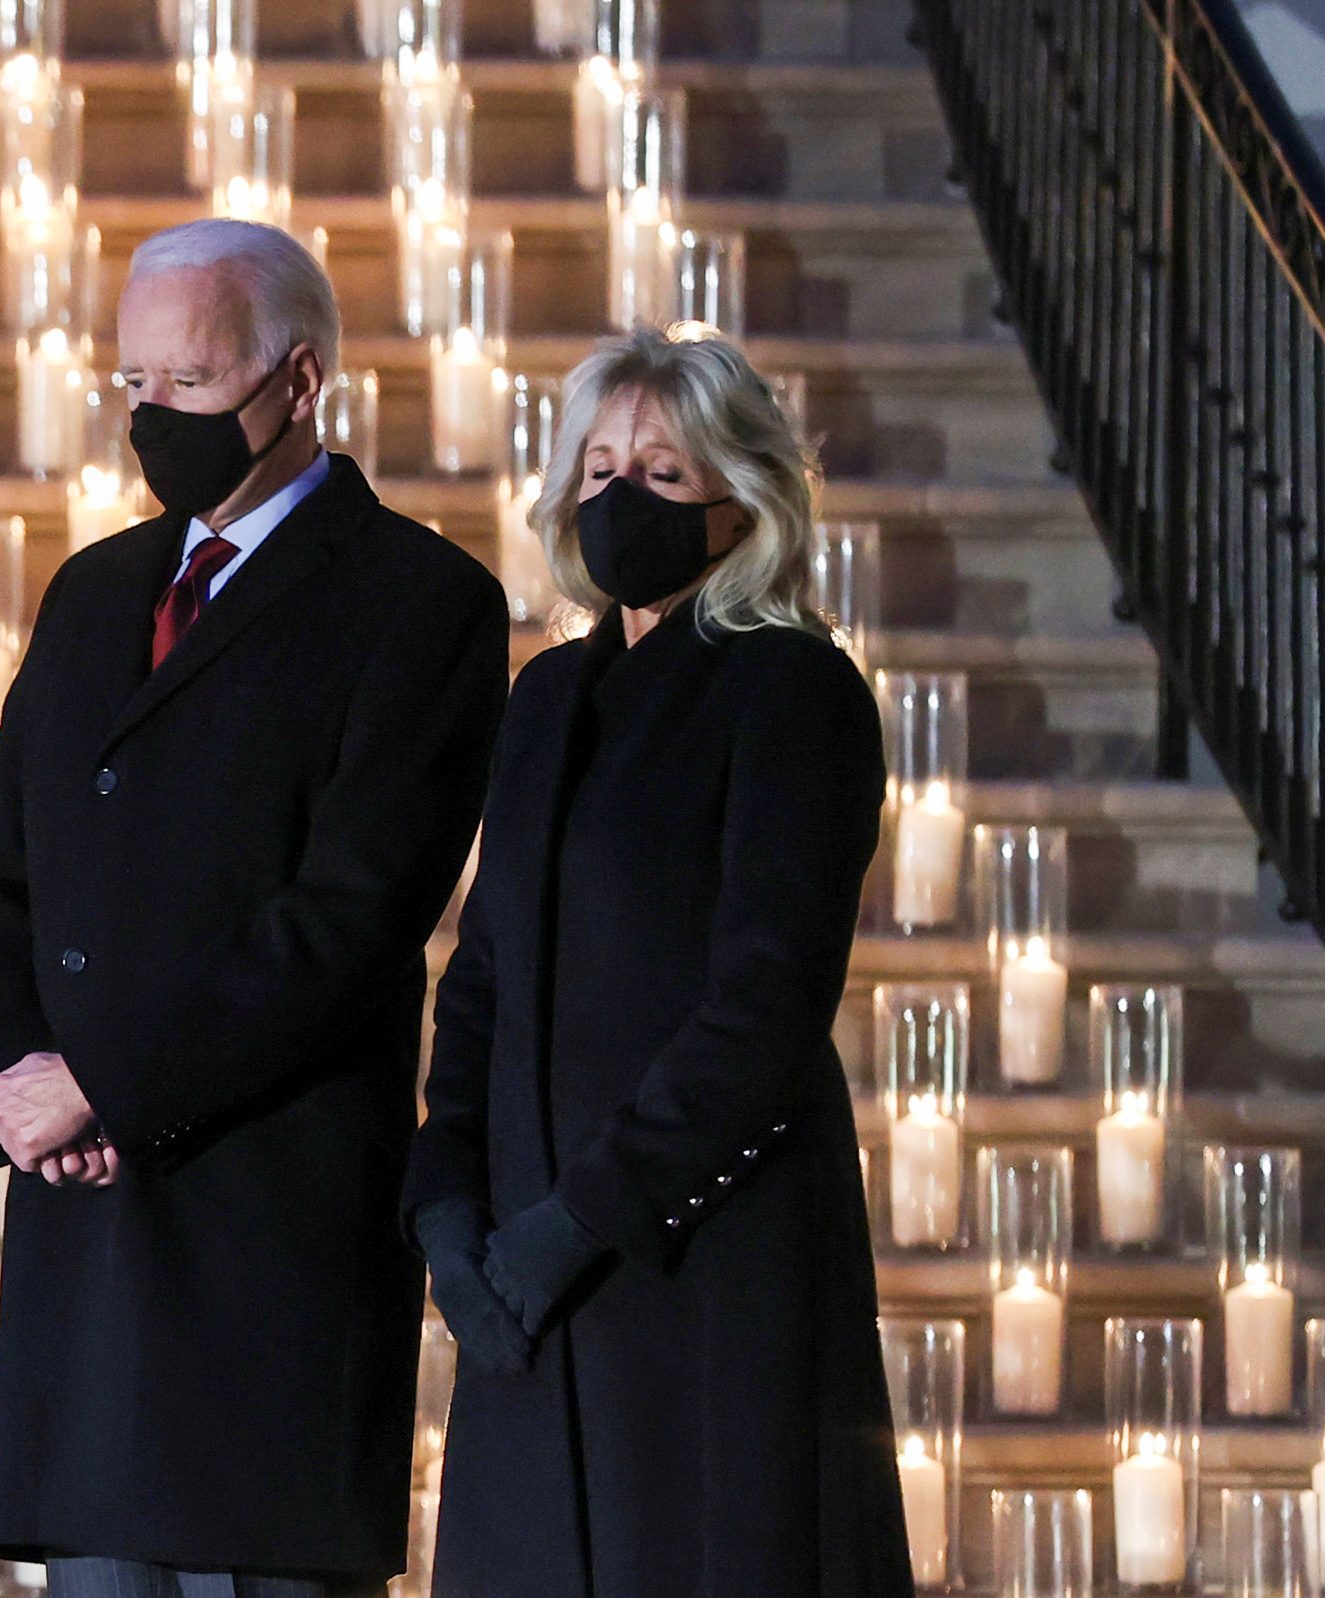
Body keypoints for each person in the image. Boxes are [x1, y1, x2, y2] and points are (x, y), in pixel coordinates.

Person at [0, 217, 508, 1598]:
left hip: (264, 1239)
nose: (154, 418)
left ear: (296, 380)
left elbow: (350, 917)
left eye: (188, 383)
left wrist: (105, 1083)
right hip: (86, 1231)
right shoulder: (93, 592)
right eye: (133, 384)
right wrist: (17, 1072)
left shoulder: (420, 600)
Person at [404, 326, 914, 1597]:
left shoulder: (790, 689)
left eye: (661, 474)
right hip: (525, 1271)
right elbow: (481, 974)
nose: (619, 496)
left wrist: (581, 1219)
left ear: (741, 501)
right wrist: (447, 1200)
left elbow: (765, 1003)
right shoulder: (543, 698)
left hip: (694, 1257)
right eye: (599, 470)